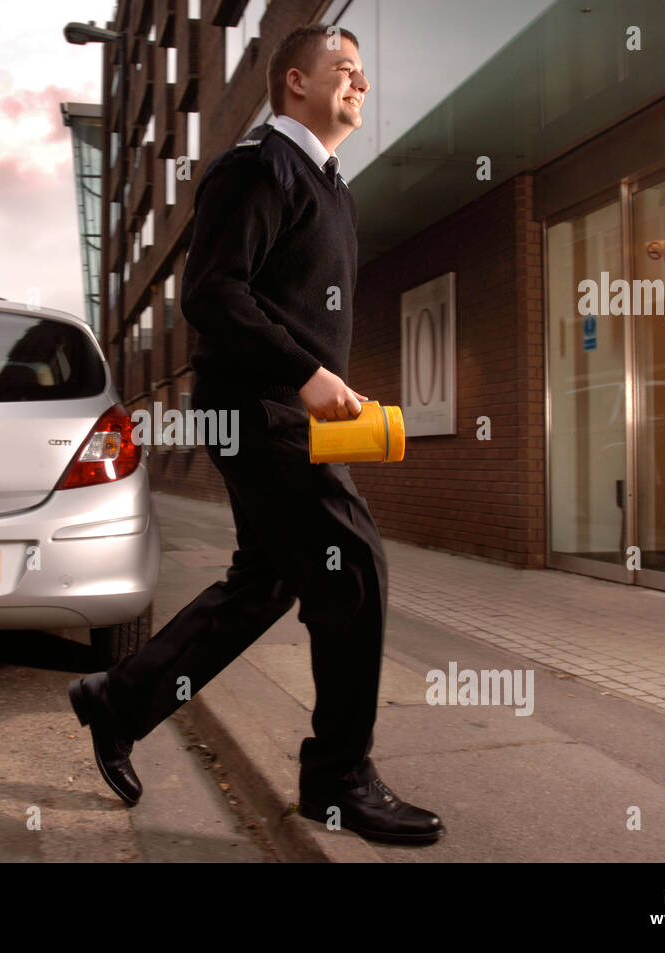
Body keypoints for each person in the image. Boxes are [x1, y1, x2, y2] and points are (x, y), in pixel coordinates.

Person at [68, 23, 445, 845]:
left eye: (362, 73)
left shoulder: (329, 185)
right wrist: (305, 374)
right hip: (257, 413)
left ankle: (119, 699)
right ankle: (338, 780)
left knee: (267, 582)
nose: (359, 83)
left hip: (289, 415)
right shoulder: (256, 166)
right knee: (353, 572)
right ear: (292, 82)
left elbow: (288, 303)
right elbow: (211, 292)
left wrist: (328, 381)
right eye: (342, 69)